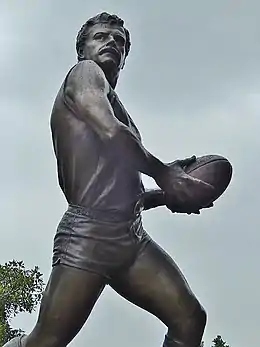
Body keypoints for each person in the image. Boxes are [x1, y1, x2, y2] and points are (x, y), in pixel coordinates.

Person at [4, 12, 215, 347]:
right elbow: (110, 132)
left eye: (120, 41)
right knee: (44, 342)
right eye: (102, 36)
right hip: (89, 235)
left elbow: (125, 192)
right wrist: (166, 174)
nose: (113, 43)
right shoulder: (84, 75)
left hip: (130, 236)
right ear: (83, 49)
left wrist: (169, 193)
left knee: (190, 319)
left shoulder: (119, 106)